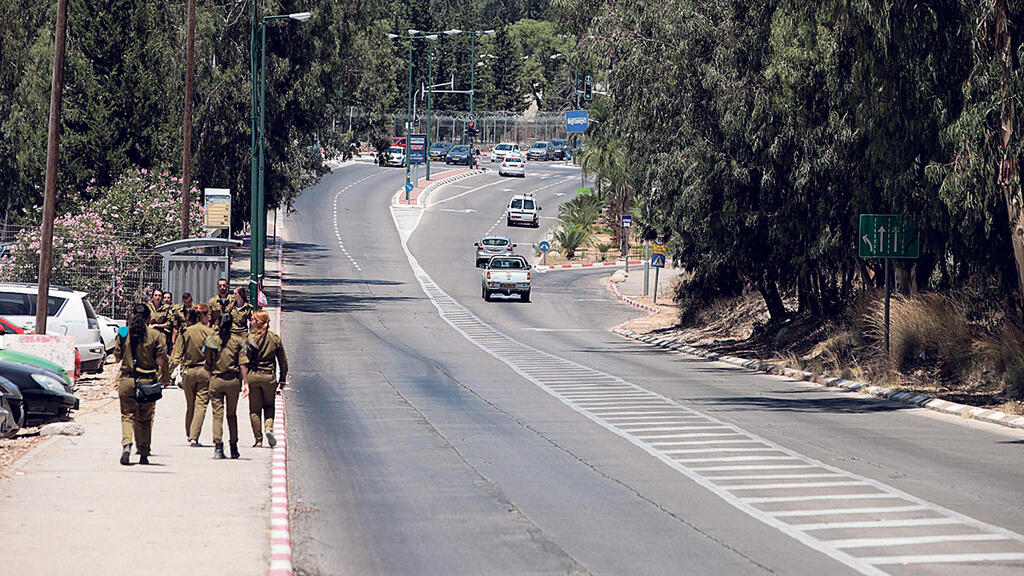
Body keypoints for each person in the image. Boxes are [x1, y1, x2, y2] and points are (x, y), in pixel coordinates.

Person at [113, 303, 169, 465]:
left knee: (127, 416)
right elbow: (160, 361)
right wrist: (164, 377)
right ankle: (144, 453)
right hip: (147, 382)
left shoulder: (124, 333)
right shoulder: (156, 336)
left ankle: (127, 444)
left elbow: (117, 358)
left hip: (127, 380)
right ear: (149, 319)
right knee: (145, 419)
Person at [204, 313, 249, 459]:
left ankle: (218, 447)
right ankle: (234, 447)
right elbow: (242, 364)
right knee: (231, 414)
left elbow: (208, 363)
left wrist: (211, 376)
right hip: (232, 382)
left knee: (217, 415)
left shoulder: (212, 340)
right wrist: (245, 383)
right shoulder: (237, 341)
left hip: (216, 380)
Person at [170, 304, 214, 447]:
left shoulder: (185, 332)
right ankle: (194, 437)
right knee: (201, 405)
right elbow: (216, 354)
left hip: (188, 372)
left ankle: (189, 433)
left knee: (190, 405)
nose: (209, 316)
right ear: (202, 315)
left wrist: (164, 374)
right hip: (204, 371)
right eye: (207, 314)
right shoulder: (209, 332)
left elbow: (176, 356)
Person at [244, 310, 288, 447]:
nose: (250, 322)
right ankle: (269, 428)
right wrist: (282, 378)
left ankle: (258, 440)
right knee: (269, 405)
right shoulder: (274, 339)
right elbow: (283, 361)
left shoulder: (249, 339)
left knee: (254, 410)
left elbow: (243, 360)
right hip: (269, 377)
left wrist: (243, 380)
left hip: (253, 376)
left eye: (252, 320)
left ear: (258, 322)